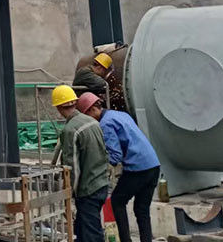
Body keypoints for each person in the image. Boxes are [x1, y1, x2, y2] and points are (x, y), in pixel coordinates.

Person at [77, 92, 160, 242]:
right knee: (142, 209)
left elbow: (115, 155)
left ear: (92, 110)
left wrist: (95, 164)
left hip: (138, 168)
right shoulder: (120, 114)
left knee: (117, 201)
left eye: (87, 116)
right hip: (153, 165)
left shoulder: (105, 124)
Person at [52, 85, 108, 242]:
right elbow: (105, 152)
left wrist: (69, 193)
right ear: (74, 102)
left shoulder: (70, 130)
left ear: (59, 108)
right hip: (101, 184)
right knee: (83, 231)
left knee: (92, 235)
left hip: (88, 190)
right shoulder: (92, 121)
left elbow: (72, 168)